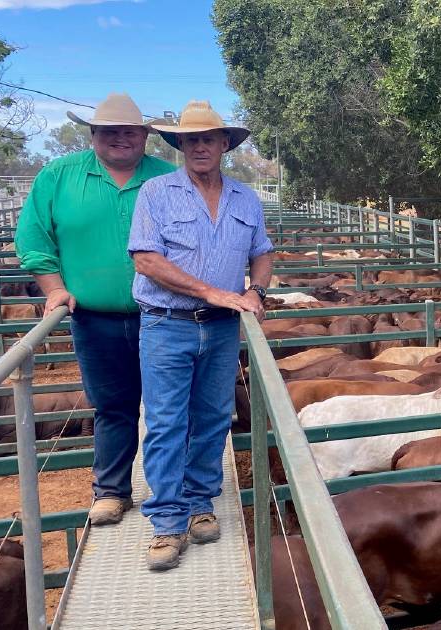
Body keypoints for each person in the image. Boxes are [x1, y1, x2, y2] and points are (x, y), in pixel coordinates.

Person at [14, 93, 175, 527]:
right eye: (109, 131)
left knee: (169, 406)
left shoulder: (168, 178)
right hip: (94, 317)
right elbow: (33, 239)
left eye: (128, 131)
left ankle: (174, 494)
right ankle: (111, 491)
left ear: (144, 136)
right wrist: (54, 288)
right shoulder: (58, 177)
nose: (119, 138)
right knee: (112, 405)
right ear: (93, 135)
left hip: (164, 314)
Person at [127, 100, 273, 571]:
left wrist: (259, 294)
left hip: (223, 328)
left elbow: (262, 253)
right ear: (179, 146)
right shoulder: (156, 193)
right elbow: (146, 260)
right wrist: (217, 293)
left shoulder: (246, 199)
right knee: (167, 423)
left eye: (208, 138)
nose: (199, 147)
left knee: (212, 418)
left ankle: (199, 503)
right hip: (167, 323)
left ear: (224, 143)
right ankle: (167, 523)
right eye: (190, 140)